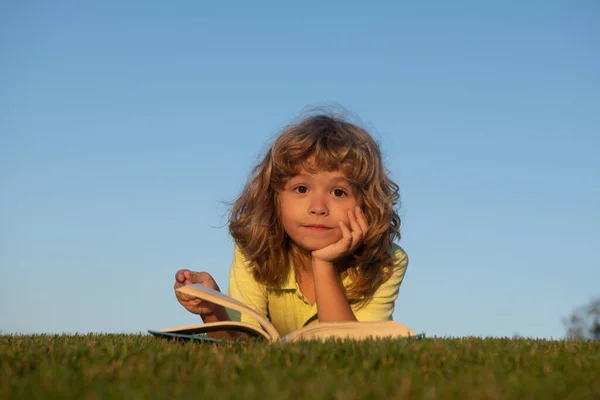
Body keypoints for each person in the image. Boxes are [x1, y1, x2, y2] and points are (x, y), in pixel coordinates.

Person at [174, 109, 409, 339]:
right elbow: (241, 345)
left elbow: (351, 352)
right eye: (301, 189)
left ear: (367, 203)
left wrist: (323, 264)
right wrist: (214, 310)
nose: (318, 208)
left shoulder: (385, 262)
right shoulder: (255, 247)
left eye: (338, 192)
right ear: (274, 197)